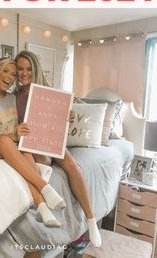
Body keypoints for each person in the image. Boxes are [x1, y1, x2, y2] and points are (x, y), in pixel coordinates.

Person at [15, 50, 102, 248]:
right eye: (20, 69)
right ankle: (44, 188)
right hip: (32, 140)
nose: (24, 73)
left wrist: (68, 118)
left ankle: (90, 219)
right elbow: (12, 123)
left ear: (35, 69)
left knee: (72, 165)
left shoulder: (48, 93)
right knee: (44, 161)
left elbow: (61, 126)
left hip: (51, 138)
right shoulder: (15, 96)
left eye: (28, 69)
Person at [0, 57, 66, 230]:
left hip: (10, 145)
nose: (10, 76)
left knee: (27, 154)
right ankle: (45, 187)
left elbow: (37, 111)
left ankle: (42, 207)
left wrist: (64, 114)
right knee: (7, 142)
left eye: (13, 74)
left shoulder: (11, 98)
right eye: (5, 71)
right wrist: (14, 134)